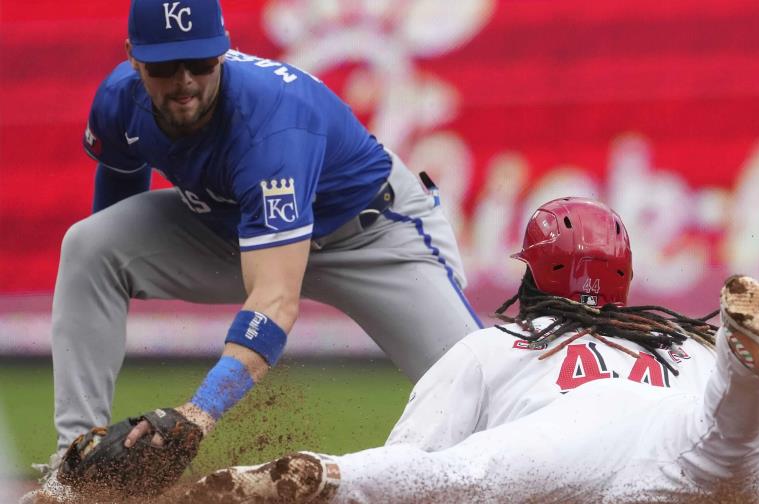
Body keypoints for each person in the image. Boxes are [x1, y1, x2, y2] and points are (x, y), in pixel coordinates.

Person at [25, 0, 481, 500]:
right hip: (235, 228)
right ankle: (72, 476)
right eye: (164, 66)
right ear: (134, 57)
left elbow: (275, 300)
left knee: (477, 390)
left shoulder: (271, 126)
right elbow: (116, 197)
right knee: (91, 245)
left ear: (222, 53)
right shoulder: (118, 100)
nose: (184, 82)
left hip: (370, 236)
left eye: (200, 62)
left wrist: (197, 415)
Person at [181, 197, 759, 503]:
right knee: (729, 437)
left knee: (454, 480)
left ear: (535, 275)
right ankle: (746, 362)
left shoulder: (493, 345)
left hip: (573, 432)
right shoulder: (679, 339)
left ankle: (330, 477)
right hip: (680, 435)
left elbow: (417, 453)